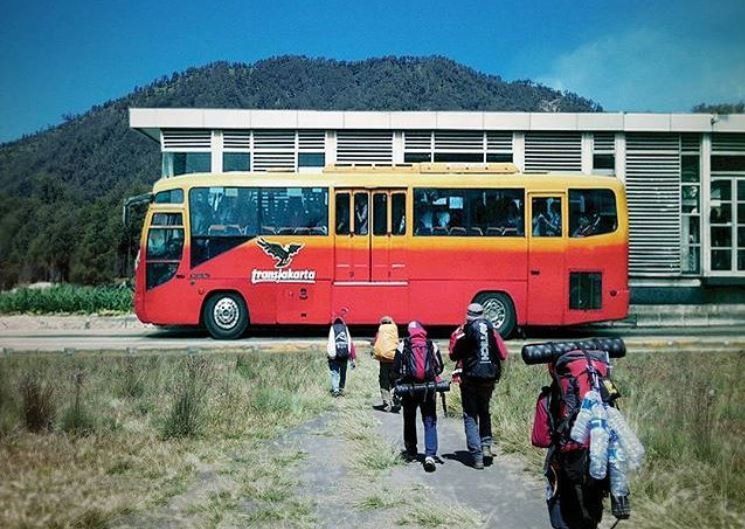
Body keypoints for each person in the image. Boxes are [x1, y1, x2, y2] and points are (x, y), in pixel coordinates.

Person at [449, 303, 508, 469]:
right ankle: (486, 446)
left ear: (468, 316)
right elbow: (503, 354)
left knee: (470, 415)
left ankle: (477, 457)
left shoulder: (464, 331)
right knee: (484, 411)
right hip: (489, 379)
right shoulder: (492, 331)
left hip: (470, 379)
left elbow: (454, 355)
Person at [392, 321, 443, 472]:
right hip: (428, 389)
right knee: (429, 420)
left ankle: (411, 451)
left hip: (409, 389)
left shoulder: (404, 345)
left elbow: (395, 369)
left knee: (409, 419)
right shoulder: (431, 344)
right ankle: (430, 454)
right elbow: (440, 366)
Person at [373, 316, 401, 412]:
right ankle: (395, 399)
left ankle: (386, 404)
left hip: (384, 361)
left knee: (384, 381)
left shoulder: (380, 330)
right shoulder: (394, 329)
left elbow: (376, 343)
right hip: (394, 359)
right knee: (395, 380)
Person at [326, 316, 356, 397]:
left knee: (335, 373)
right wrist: (350, 354)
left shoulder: (333, 328)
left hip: (335, 356)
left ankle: (335, 390)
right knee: (343, 373)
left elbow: (331, 341)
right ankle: (341, 389)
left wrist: (331, 354)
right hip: (344, 355)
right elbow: (349, 341)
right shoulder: (345, 328)